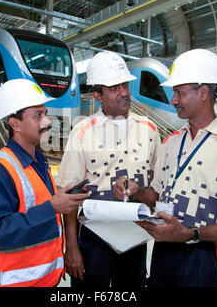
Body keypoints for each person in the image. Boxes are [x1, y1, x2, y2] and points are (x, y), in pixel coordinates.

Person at [114, 48, 217, 287]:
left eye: (179, 93)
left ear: (203, 92)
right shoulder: (171, 142)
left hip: (202, 258)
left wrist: (192, 235)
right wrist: (137, 191)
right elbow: (157, 195)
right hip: (163, 252)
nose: (173, 100)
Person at [55, 51, 161, 288]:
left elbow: (157, 186)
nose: (123, 92)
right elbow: (69, 197)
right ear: (98, 96)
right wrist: (71, 248)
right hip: (95, 239)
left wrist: (140, 192)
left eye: (124, 85)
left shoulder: (149, 130)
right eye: (114, 88)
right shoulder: (82, 132)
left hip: (135, 236)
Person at [0, 79, 90, 287]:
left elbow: (34, 203)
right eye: (38, 116)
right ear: (15, 124)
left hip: (46, 279)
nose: (47, 122)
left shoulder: (39, 162)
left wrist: (60, 197)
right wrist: (52, 207)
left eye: (45, 114)